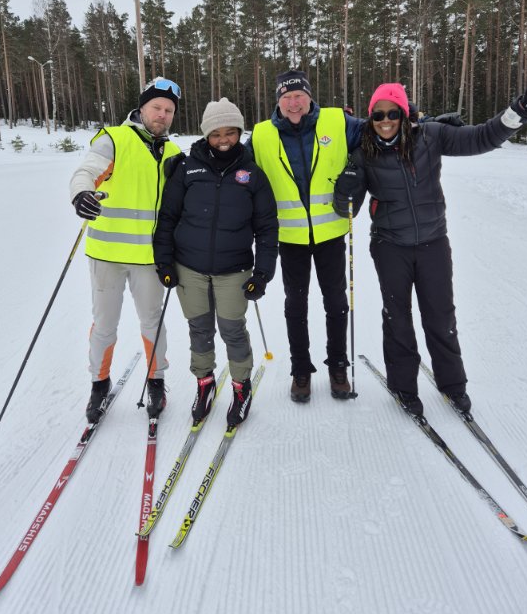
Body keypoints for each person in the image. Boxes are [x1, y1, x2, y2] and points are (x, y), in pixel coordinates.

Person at [333, 71, 527, 416]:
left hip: (433, 243)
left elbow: (484, 137)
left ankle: (453, 385)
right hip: (390, 246)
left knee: (440, 317)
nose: (385, 121)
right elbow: (346, 210)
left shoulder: (431, 136)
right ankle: (404, 388)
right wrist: (345, 187)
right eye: (377, 115)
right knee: (397, 319)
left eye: (392, 113)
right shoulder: (363, 152)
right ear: (370, 118)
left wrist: (523, 107)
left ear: (404, 114)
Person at [153, 97, 278, 428]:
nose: (224, 140)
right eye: (216, 133)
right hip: (188, 268)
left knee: (233, 330)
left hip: (234, 270)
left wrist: (262, 273)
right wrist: (163, 262)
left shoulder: (252, 174)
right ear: (205, 134)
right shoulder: (186, 169)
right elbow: (167, 218)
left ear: (239, 132)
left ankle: (240, 386)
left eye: (231, 133)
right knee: (199, 329)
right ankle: (205, 383)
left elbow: (267, 228)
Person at [70, 77, 182, 423]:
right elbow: (86, 172)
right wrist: (81, 194)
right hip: (108, 256)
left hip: (149, 258)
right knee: (105, 324)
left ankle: (157, 380)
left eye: (168, 110)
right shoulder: (114, 139)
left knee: (153, 323)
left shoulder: (174, 154)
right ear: (142, 107)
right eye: (156, 107)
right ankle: (99, 384)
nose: (161, 115)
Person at [249, 70, 364, 403]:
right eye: (286, 97)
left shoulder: (337, 121)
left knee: (336, 302)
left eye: (299, 96)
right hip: (291, 238)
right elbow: (235, 166)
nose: (293, 103)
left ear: (310, 96)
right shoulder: (261, 135)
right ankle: (301, 370)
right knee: (295, 305)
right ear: (278, 102)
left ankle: (338, 366)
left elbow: (374, 137)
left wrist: (355, 166)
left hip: (330, 232)